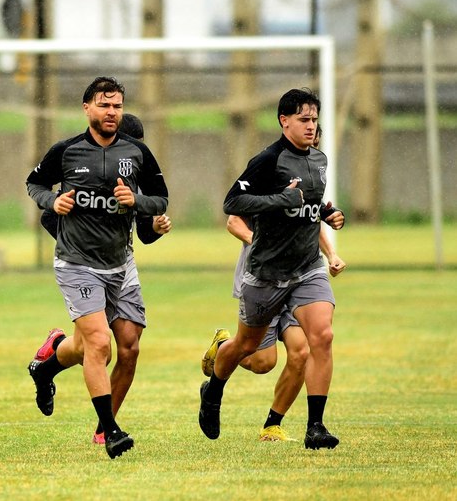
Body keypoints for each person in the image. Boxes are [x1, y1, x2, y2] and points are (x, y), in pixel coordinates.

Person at [26, 77, 169, 459]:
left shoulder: (136, 154)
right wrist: (52, 202)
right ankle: (110, 430)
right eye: (104, 105)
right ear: (87, 108)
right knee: (100, 345)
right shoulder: (68, 151)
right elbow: (35, 183)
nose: (111, 112)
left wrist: (140, 203)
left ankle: (48, 363)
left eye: (117, 106)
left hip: (121, 265)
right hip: (76, 264)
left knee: (129, 347)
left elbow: (160, 200)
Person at [198, 88, 345, 450]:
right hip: (266, 272)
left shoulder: (320, 160)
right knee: (252, 350)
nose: (311, 126)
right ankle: (213, 389)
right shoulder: (268, 160)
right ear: (284, 121)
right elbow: (232, 202)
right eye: (303, 119)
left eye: (314, 119)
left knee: (321, 337)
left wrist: (327, 215)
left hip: (307, 268)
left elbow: (310, 204)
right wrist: (279, 199)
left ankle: (316, 427)